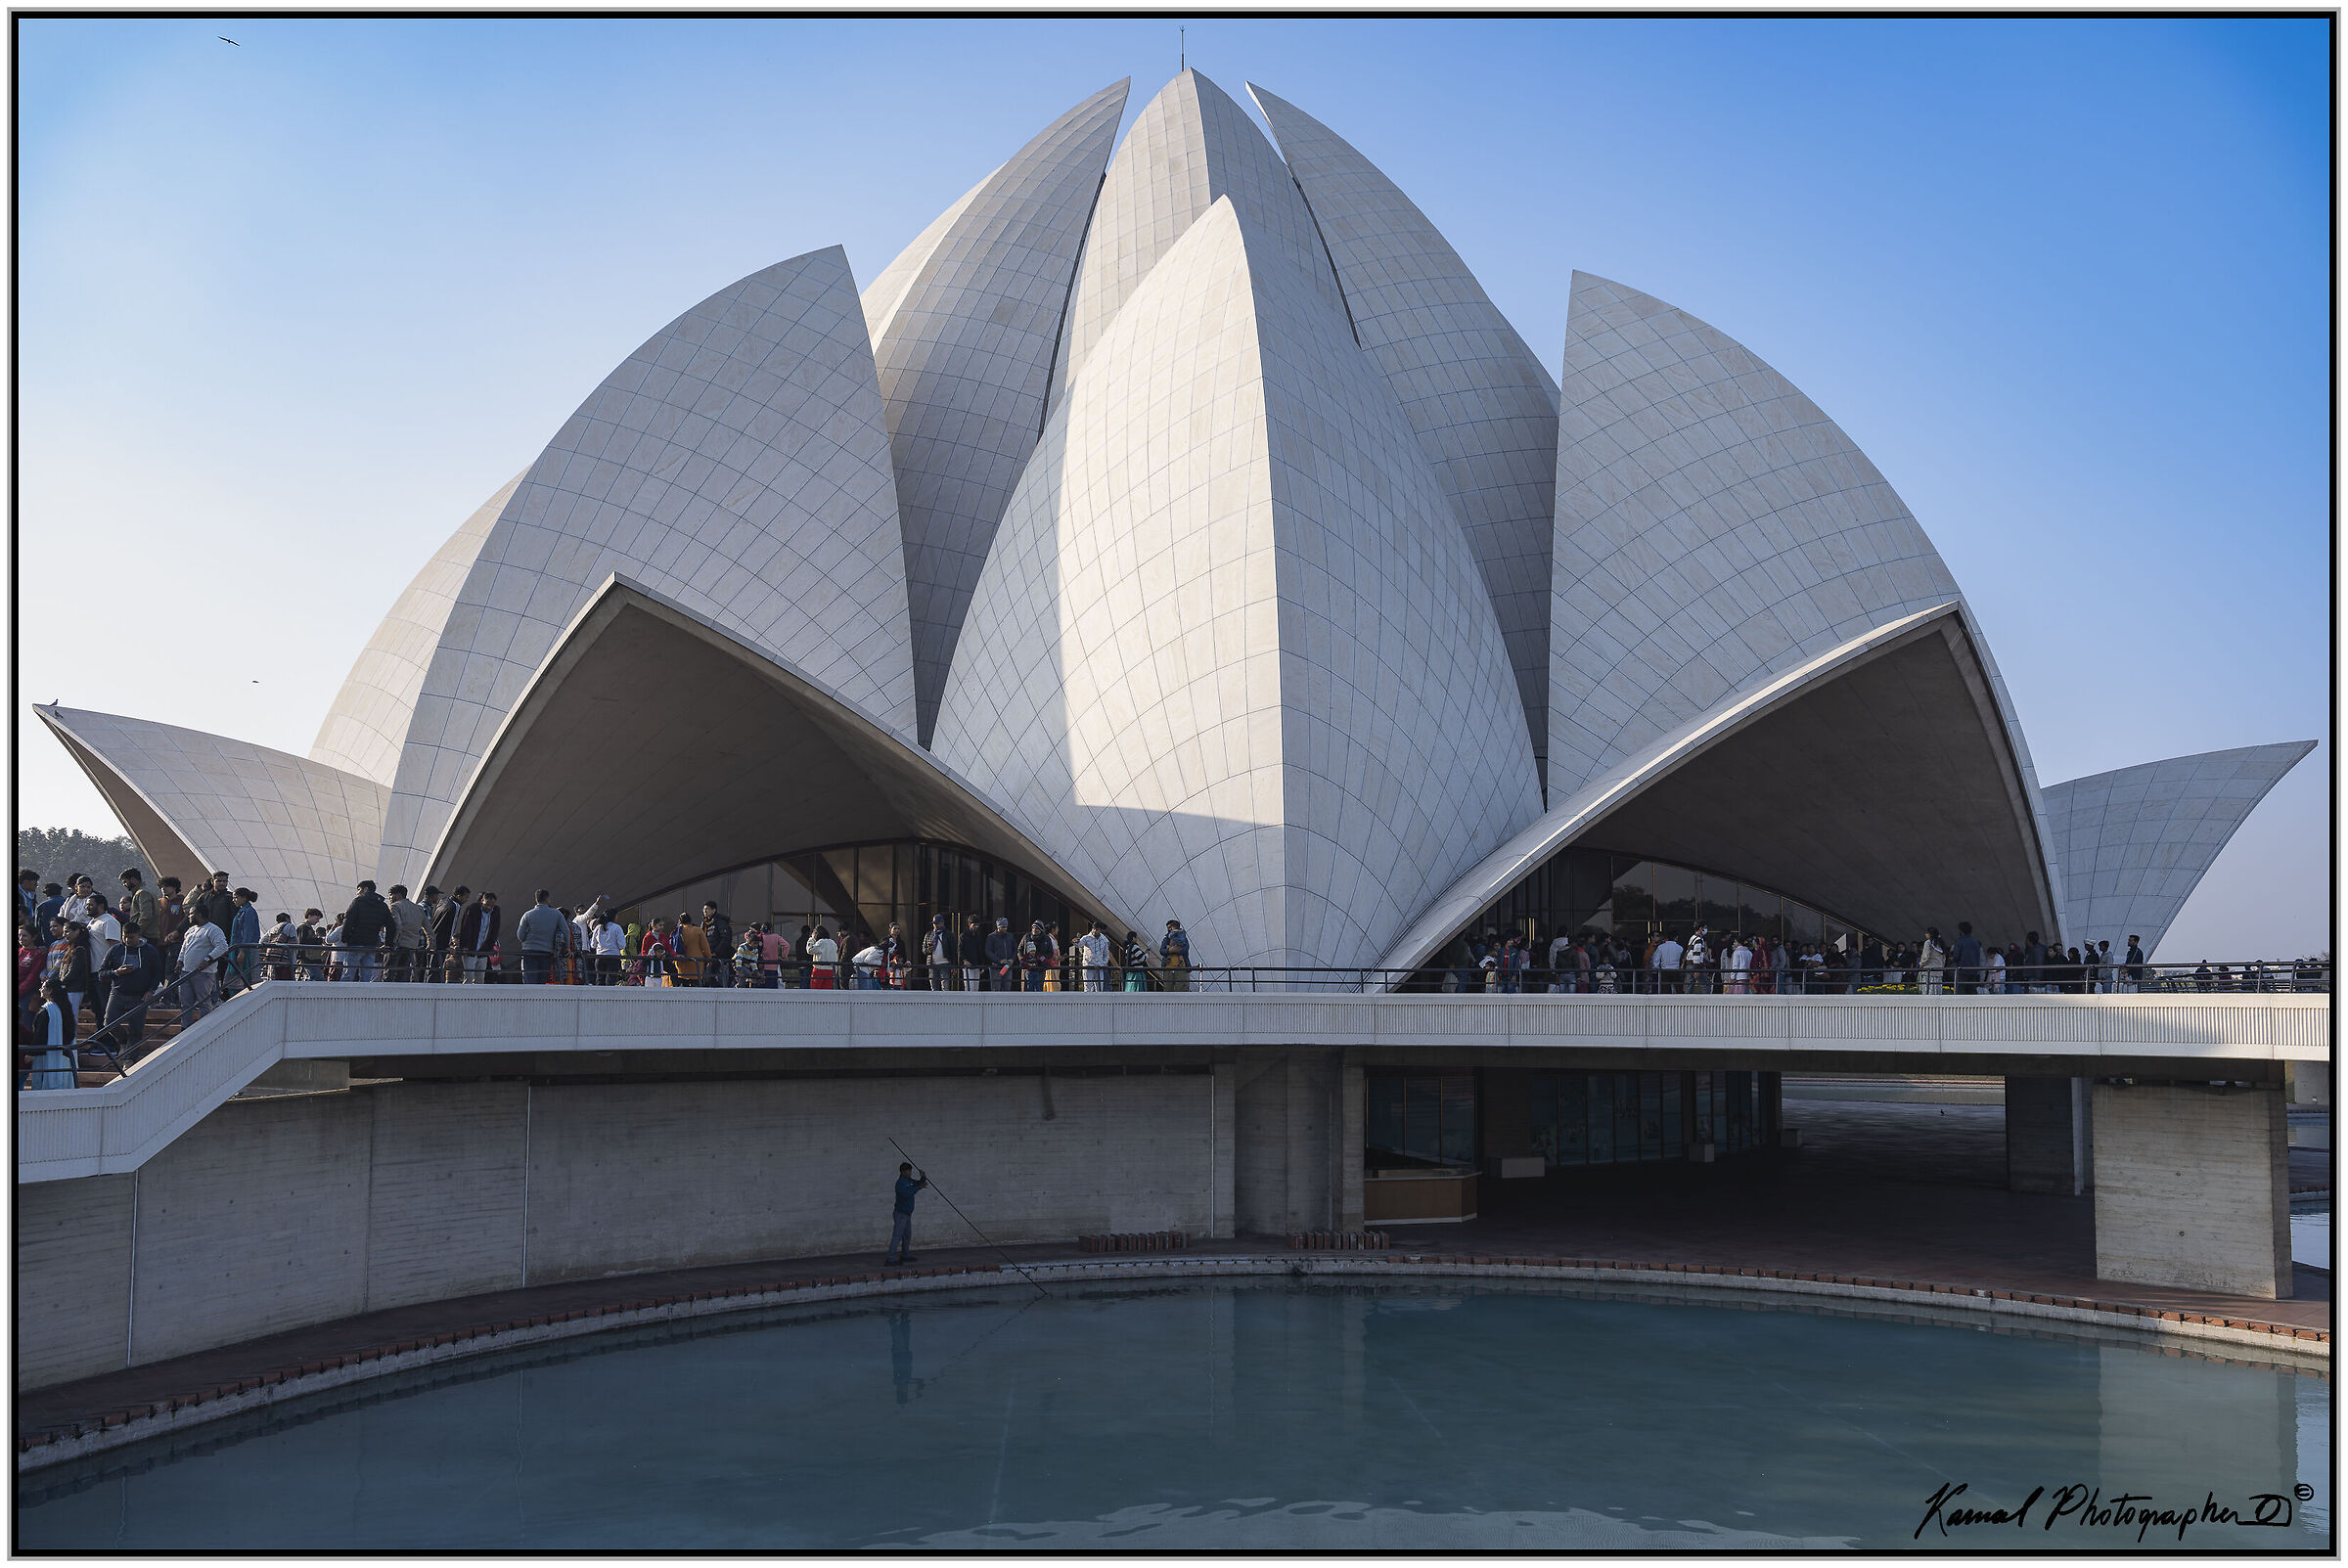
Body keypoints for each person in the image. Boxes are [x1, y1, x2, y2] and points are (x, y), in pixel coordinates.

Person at [95, 923, 163, 1049]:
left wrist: (151, 990)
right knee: (109, 1023)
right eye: (124, 937)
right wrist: (116, 972)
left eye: (131, 937)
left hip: (140, 995)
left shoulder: (149, 951)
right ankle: (124, 1042)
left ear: (138, 935)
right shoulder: (115, 950)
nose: (127, 940)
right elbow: (101, 973)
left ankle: (130, 1060)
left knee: (136, 1029)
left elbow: (158, 973)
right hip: (118, 992)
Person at [337, 879, 394, 981]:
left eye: (359, 889)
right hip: (371, 945)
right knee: (366, 977)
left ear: (365, 889)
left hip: (355, 943)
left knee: (348, 975)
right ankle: (363, 996)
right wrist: (388, 943)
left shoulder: (357, 902)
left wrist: (344, 939)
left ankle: (344, 996)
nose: (357, 892)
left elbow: (348, 921)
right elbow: (391, 925)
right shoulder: (382, 905)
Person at [177, 909, 230, 1021]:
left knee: (204, 1003)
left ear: (199, 914)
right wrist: (179, 961)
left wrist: (208, 959)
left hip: (203, 973)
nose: (189, 916)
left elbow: (222, 947)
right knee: (185, 1003)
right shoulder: (190, 930)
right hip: (186, 972)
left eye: (191, 914)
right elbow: (184, 948)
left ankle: (204, 1027)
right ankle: (185, 1028)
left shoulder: (213, 929)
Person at [27, 979, 78, 1090]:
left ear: (50, 991)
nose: (41, 989)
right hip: (64, 1058)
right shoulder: (66, 1008)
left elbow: (40, 1033)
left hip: (46, 1057)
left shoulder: (47, 1010)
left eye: (43, 987)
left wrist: (31, 1052)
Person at [515, 891, 566, 984]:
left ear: (536, 900)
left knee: (530, 978)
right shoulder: (557, 914)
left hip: (529, 951)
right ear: (547, 899)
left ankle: (530, 997)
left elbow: (520, 934)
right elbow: (565, 931)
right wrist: (567, 947)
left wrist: (525, 941)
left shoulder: (528, 914)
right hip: (546, 952)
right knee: (542, 980)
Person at [884, 1160, 927, 1265]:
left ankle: (905, 1255)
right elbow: (906, 1194)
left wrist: (923, 1177)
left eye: (910, 1171)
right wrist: (918, 1188)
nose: (910, 1173)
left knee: (907, 1235)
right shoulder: (900, 1183)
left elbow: (919, 1183)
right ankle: (890, 1259)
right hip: (900, 1214)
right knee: (897, 1235)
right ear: (902, 1172)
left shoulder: (909, 1181)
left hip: (907, 1214)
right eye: (908, 1171)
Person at [385, 885, 429, 981]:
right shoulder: (418, 908)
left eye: (390, 895)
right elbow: (428, 930)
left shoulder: (394, 906)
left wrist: (393, 943)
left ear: (398, 895)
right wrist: (431, 946)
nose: (389, 898)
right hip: (411, 945)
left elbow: (398, 926)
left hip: (398, 945)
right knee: (402, 974)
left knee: (389, 974)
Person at [224, 887, 262, 995]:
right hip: (238, 948)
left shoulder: (249, 912)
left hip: (246, 949)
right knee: (235, 974)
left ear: (244, 898)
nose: (234, 900)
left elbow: (248, 932)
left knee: (246, 975)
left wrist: (243, 951)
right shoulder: (241, 911)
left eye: (236, 898)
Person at [458, 891, 501, 983]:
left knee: (480, 978)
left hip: (484, 949)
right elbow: (466, 928)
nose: (489, 908)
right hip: (471, 948)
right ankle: (466, 996)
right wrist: (465, 945)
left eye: (492, 905)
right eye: (487, 905)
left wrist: (490, 946)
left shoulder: (495, 912)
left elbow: (494, 931)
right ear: (482, 901)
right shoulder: (473, 909)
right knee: (468, 976)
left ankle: (477, 997)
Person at [428, 885, 464, 983]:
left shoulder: (443, 902)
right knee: (436, 969)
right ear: (459, 896)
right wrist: (446, 946)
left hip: (433, 940)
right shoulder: (455, 906)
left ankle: (427, 988)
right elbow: (451, 927)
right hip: (441, 944)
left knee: (430, 968)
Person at [117, 870, 159, 951]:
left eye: (125, 882)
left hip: (146, 936)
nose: (124, 885)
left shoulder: (142, 893)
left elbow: (146, 916)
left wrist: (136, 933)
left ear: (133, 879)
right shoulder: (140, 893)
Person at [701, 902, 735, 989]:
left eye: (707, 909)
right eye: (704, 909)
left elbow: (725, 938)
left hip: (717, 955)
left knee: (709, 977)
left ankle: (720, 991)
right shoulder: (704, 923)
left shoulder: (720, 922)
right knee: (704, 978)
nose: (705, 911)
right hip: (707, 955)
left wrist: (716, 952)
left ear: (714, 910)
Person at [1074, 921, 1115, 992]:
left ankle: (1098, 1002)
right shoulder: (1086, 938)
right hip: (1088, 966)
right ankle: (1087, 1002)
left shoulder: (1104, 940)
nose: (1094, 931)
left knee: (1099, 988)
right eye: (1093, 929)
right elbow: (1079, 944)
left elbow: (1106, 954)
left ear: (1100, 930)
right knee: (1087, 987)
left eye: (1097, 929)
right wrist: (1075, 942)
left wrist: (1103, 963)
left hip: (1099, 967)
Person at [1017, 919, 1051, 992]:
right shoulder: (1026, 937)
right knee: (1027, 988)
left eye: (1037, 928)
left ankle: (1038, 1002)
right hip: (1027, 968)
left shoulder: (1046, 939)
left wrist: (1042, 958)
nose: (1035, 930)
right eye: (1033, 928)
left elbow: (1050, 953)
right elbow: (1020, 949)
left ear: (1041, 930)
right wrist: (1023, 959)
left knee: (1038, 988)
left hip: (1040, 968)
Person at [956, 917, 988, 993]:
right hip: (968, 965)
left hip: (977, 964)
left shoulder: (978, 936)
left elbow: (980, 951)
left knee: (976, 988)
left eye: (977, 925)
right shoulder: (963, 936)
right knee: (969, 987)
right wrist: (964, 960)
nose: (976, 927)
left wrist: (982, 964)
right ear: (969, 924)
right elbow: (960, 949)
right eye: (974, 925)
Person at [1158, 919, 1192, 992]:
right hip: (1168, 967)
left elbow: (1185, 949)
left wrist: (1174, 950)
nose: (1169, 929)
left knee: (1181, 988)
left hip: (1181, 967)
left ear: (1176, 927)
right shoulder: (1166, 939)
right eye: (1168, 928)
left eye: (1170, 927)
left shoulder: (1183, 939)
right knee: (1168, 988)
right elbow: (1161, 950)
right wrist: (1169, 951)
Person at [922, 915, 952, 992]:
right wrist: (928, 950)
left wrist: (953, 963)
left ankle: (945, 1002)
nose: (936, 925)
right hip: (932, 963)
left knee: (945, 986)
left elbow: (953, 950)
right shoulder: (929, 935)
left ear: (942, 923)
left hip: (944, 962)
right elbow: (923, 949)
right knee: (934, 986)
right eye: (934, 923)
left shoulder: (948, 934)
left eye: (937, 923)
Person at [985, 918, 1016, 991]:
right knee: (996, 989)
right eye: (1003, 927)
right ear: (998, 927)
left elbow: (1015, 949)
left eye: (1006, 927)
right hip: (996, 967)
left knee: (1007, 989)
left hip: (1007, 966)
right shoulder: (991, 937)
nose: (1005, 929)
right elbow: (988, 952)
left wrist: (1012, 959)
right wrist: (999, 960)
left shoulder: (1010, 936)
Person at [807, 924, 839, 990]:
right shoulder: (832, 942)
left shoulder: (821, 942)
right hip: (830, 970)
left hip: (819, 969)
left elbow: (809, 950)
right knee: (826, 991)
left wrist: (811, 939)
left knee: (815, 990)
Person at [1918, 927, 1947, 996]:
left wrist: (1921, 965)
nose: (1925, 934)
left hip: (1929, 971)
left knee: (1928, 991)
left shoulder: (1928, 943)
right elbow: (1944, 958)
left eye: (1927, 933)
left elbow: (1926, 956)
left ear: (1930, 934)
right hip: (1939, 971)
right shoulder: (1941, 943)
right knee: (1937, 992)